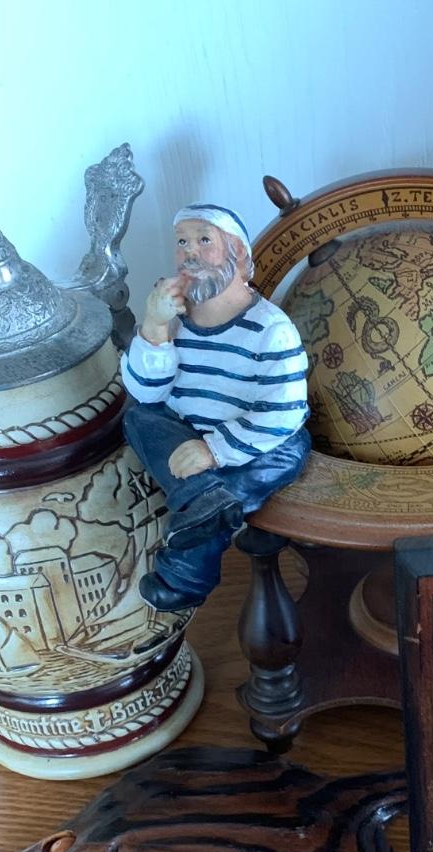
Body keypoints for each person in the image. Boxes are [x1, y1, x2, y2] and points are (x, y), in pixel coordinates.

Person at [120, 203, 310, 611]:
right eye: (182, 242)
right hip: (185, 432)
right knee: (138, 417)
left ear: (237, 253)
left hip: (257, 443)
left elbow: (283, 412)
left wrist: (215, 450)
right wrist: (154, 326)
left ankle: (186, 568)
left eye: (204, 240)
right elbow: (148, 394)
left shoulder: (272, 328)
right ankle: (206, 501)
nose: (190, 252)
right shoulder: (175, 318)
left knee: (277, 458)